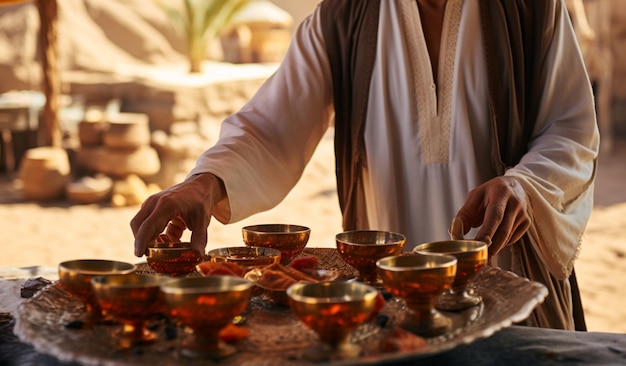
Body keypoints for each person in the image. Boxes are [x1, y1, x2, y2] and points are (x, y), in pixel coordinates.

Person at [131, 0, 599, 330]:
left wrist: (523, 185)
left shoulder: (532, 9)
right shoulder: (344, 16)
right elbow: (269, 128)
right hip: (383, 303)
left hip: (507, 286)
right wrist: (205, 183)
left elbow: (572, 130)